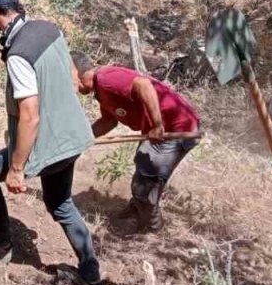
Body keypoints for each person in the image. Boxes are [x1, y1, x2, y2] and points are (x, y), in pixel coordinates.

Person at [0, 0, 103, 285]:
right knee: (61, 203)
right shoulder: (49, 29)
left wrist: (16, 169)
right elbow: (70, 77)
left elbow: (30, 116)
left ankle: (0, 248)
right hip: (73, 138)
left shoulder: (18, 55)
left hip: (48, 144)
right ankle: (91, 271)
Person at [71, 54, 200, 231]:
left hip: (176, 129)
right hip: (161, 129)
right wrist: (84, 138)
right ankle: (136, 209)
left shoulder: (105, 78)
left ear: (75, 72)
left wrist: (157, 125)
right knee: (142, 166)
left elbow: (143, 85)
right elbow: (109, 121)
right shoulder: (101, 90)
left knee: (145, 184)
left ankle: (152, 228)